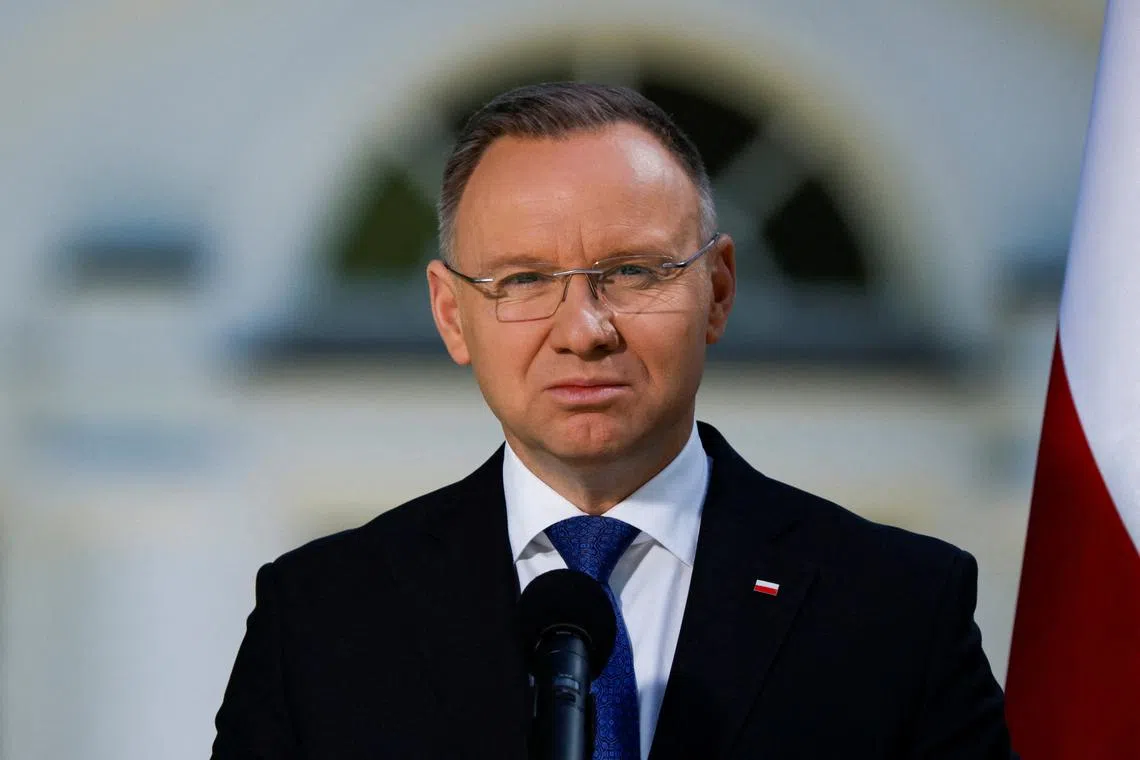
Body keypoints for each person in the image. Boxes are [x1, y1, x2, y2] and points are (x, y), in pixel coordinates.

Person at [212, 82, 1016, 759]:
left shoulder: (897, 609)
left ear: (720, 290)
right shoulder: (320, 619)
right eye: (524, 279)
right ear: (452, 315)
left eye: (632, 271)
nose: (584, 329)